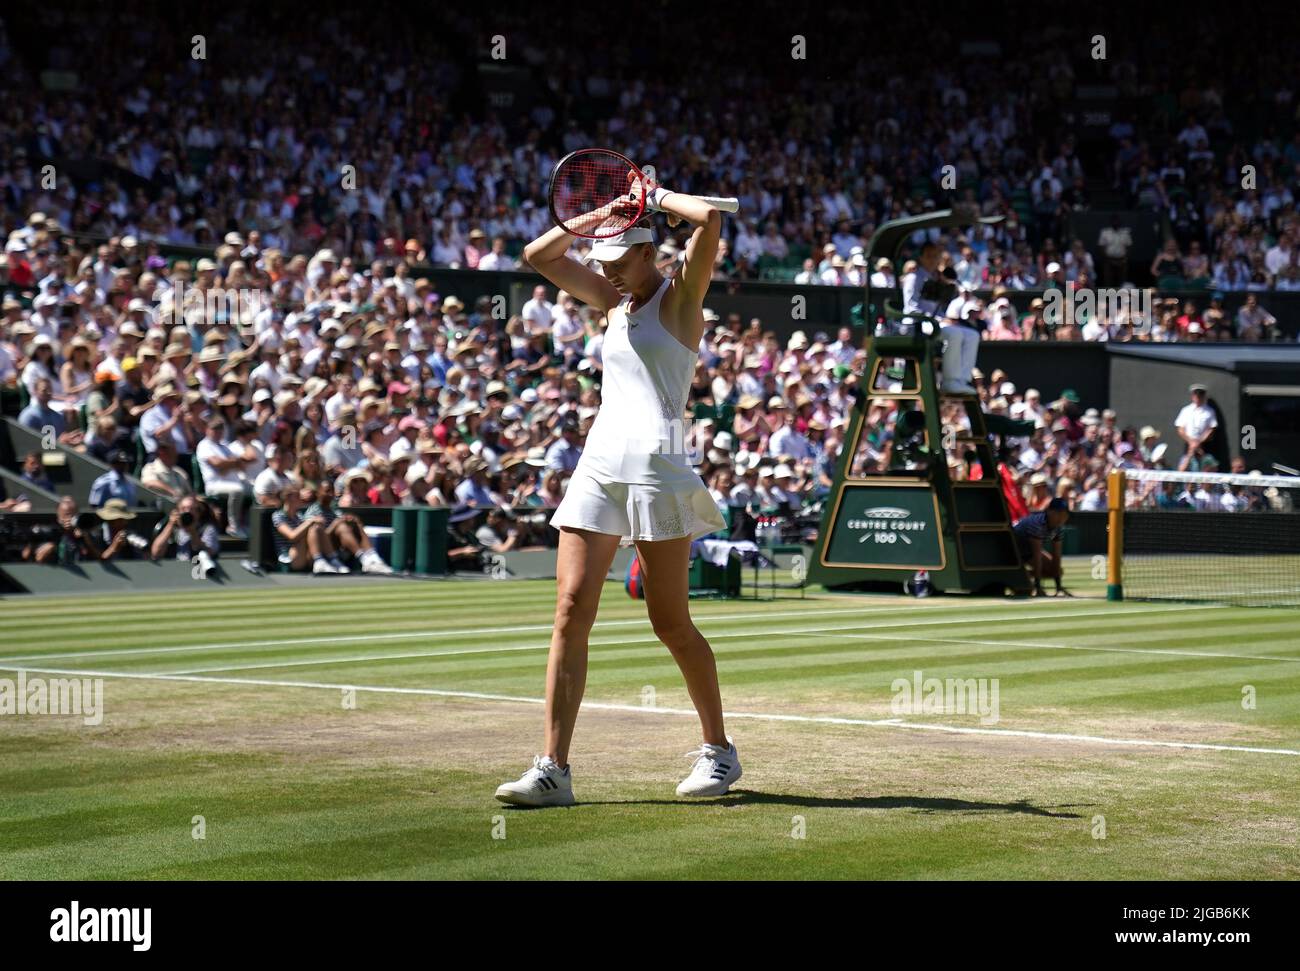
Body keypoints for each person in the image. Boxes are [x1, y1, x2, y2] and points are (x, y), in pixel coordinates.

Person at [494, 180, 736, 808]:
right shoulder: (611, 303)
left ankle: (719, 751)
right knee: (571, 610)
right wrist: (602, 215)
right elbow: (538, 256)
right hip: (599, 463)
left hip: (659, 465)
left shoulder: (682, 301)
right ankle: (552, 769)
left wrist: (654, 194)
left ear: (649, 251)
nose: (609, 274)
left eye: (618, 262)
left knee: (670, 623)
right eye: (603, 265)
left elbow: (707, 218)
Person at [1012, 497, 1072, 597]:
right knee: (1025, 590)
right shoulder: (1037, 524)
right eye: (1058, 513)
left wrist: (1058, 587)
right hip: (1012, 552)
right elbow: (1037, 556)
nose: (1061, 517)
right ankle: (1020, 575)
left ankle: (1023, 574)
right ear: (1049, 512)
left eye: (1064, 514)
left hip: (1027, 552)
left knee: (1057, 571)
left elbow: (1056, 556)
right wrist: (1038, 587)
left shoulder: (1058, 528)